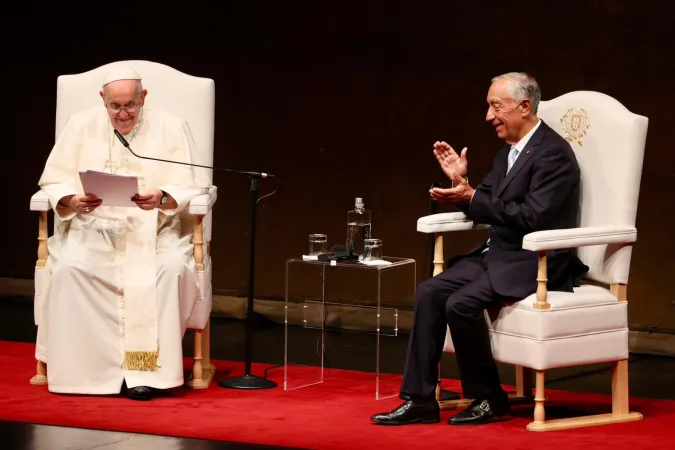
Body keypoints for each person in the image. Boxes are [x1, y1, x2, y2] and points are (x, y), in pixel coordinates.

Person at [371, 72, 588, 425]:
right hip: (497, 254)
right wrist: (462, 185)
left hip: (535, 260)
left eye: (495, 107)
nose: (489, 117)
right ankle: (420, 399)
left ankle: (489, 398)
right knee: (429, 292)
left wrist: (473, 196)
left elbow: (534, 216)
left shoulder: (553, 155)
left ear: (524, 106)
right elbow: (485, 202)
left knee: (460, 304)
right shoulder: (508, 154)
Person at [35, 65, 207, 401]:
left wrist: (163, 196)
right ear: (103, 99)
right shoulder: (80, 125)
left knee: (169, 269)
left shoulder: (172, 127)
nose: (124, 114)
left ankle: (144, 374)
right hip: (94, 229)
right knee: (70, 268)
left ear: (144, 98)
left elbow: (193, 183)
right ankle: (86, 374)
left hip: (157, 230)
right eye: (115, 107)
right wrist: (73, 199)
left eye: (131, 105)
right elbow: (54, 180)